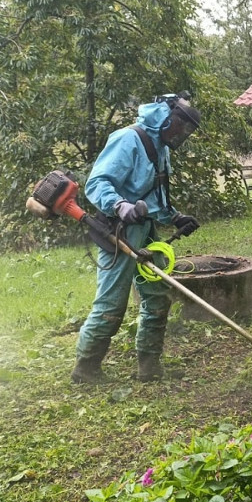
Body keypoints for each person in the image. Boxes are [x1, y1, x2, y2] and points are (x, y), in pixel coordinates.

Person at [72, 94, 201, 384]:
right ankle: (86, 367)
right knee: (111, 305)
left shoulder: (161, 146)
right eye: (180, 125)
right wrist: (120, 205)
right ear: (166, 118)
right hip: (118, 232)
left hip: (146, 231)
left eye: (187, 129)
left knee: (157, 298)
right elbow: (97, 183)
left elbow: (155, 194)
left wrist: (174, 216)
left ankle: (149, 365)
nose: (182, 133)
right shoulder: (128, 139)